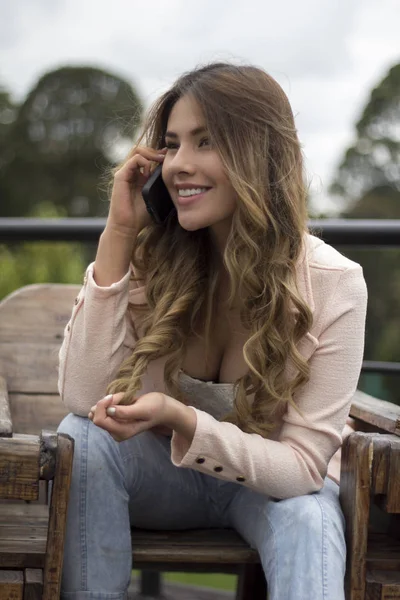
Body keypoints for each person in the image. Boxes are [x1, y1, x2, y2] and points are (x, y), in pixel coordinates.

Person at [57, 62, 368, 600]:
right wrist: (120, 231)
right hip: (163, 481)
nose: (180, 164)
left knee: (312, 519)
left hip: (267, 490)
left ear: (260, 156)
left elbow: (300, 469)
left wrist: (182, 418)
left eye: (206, 142)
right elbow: (84, 397)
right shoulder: (156, 258)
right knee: (84, 438)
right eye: (172, 145)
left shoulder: (334, 284)